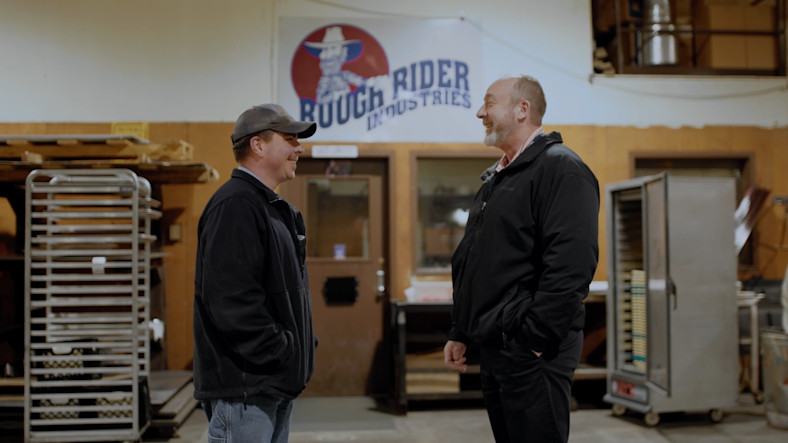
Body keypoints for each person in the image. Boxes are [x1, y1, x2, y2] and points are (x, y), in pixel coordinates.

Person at [444, 76, 599, 443]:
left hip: (532, 349)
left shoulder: (560, 168)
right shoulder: (498, 179)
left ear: (521, 109)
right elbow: (475, 262)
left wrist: (534, 339)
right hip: (499, 344)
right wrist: (461, 330)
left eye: (489, 103)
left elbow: (570, 265)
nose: (480, 112)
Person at [193, 104, 318, 443]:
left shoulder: (273, 209)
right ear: (258, 146)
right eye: (290, 139)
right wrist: (281, 350)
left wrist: (301, 347)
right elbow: (231, 301)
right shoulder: (236, 205)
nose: (299, 148)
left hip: (270, 384)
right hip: (246, 390)